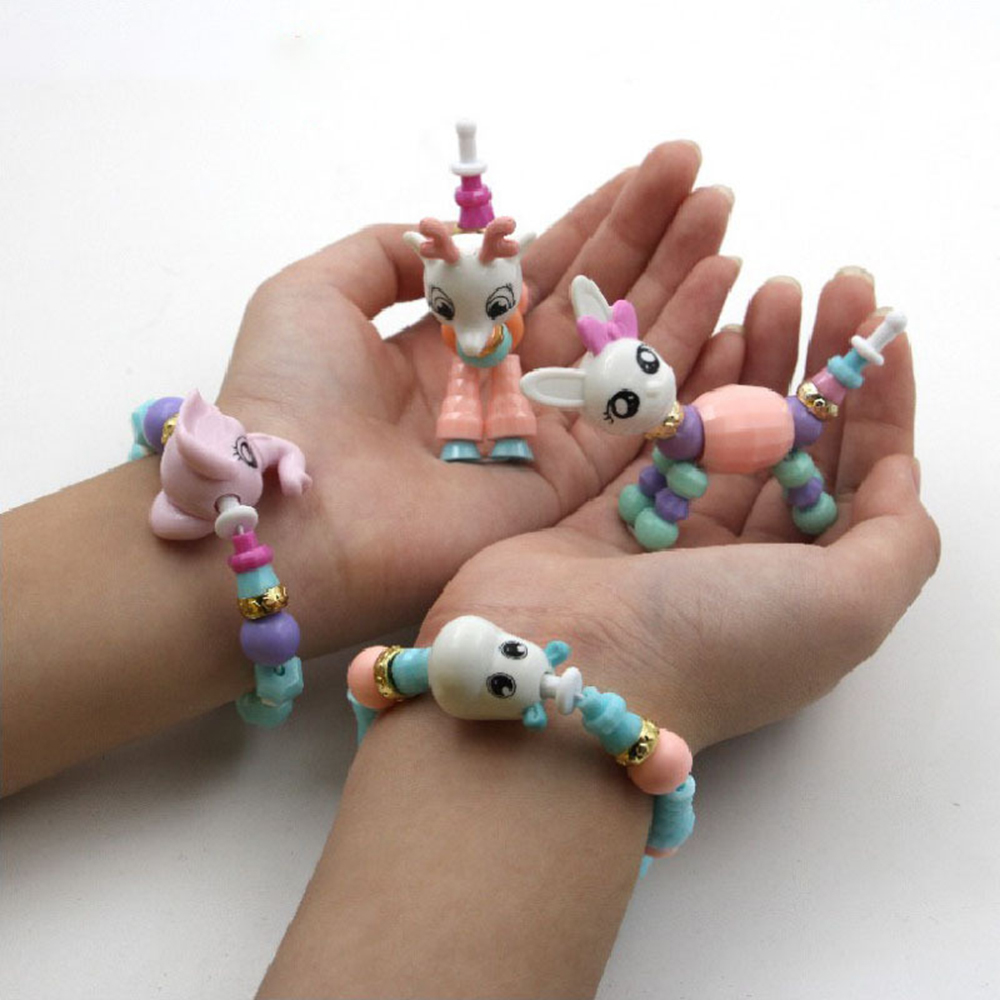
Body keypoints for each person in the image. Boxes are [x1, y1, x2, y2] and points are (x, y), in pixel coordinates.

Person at [1, 142, 939, 998]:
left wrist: (599, 651)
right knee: (586, 445)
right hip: (488, 428)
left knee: (720, 471)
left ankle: (773, 492)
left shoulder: (592, 376)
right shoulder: (511, 357)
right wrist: (289, 501)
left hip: (661, 441)